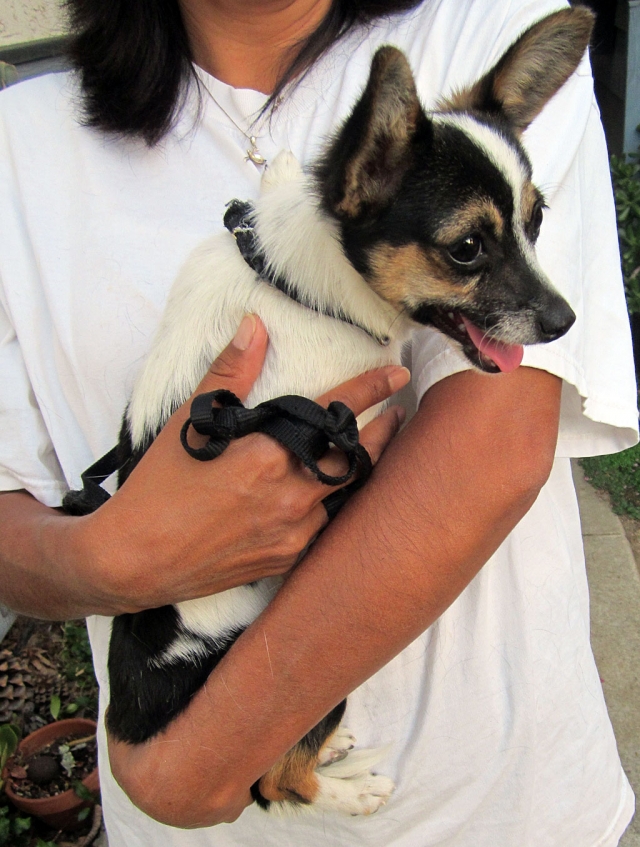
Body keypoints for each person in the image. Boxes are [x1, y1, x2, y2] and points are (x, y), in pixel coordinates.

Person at [0, 0, 637, 844]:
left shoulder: (479, 26)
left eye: (527, 225)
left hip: (496, 806)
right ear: (363, 175)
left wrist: (197, 756)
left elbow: (491, 454)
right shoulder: (18, 146)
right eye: (470, 252)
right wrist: (121, 556)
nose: (543, 304)